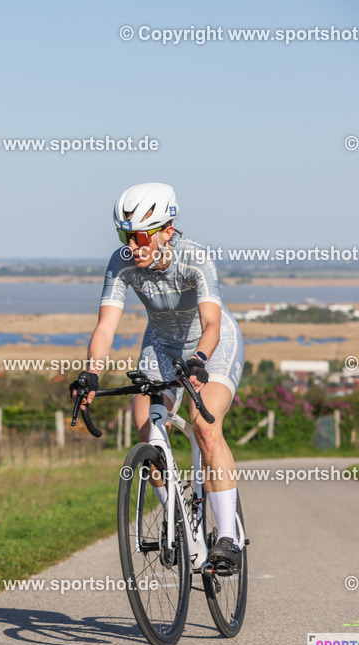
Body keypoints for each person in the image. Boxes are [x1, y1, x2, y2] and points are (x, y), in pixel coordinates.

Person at [76, 182, 245, 570]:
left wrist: (200, 359)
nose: (132, 246)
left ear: (167, 230)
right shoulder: (121, 263)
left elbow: (213, 324)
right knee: (147, 429)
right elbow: (105, 328)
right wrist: (91, 374)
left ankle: (227, 539)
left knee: (205, 425)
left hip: (209, 345)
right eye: (124, 235)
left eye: (139, 236)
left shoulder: (194, 258)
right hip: (160, 345)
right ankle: (176, 521)